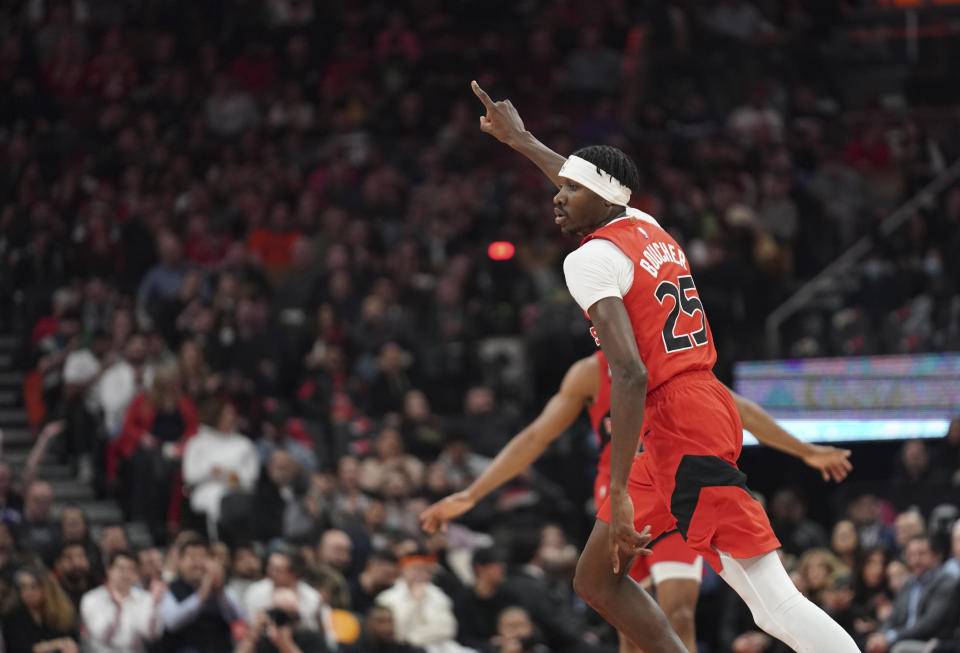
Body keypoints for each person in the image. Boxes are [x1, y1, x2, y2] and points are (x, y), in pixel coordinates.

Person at [467, 81, 859, 653]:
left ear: (602, 200)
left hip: (678, 420)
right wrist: (522, 140)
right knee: (596, 578)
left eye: (570, 191)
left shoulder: (590, 260)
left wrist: (619, 487)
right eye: (562, 186)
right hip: (694, 405)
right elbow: (586, 180)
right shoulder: (645, 225)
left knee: (772, 604)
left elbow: (628, 374)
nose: (557, 195)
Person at [422, 349, 853, 652]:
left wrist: (806, 450)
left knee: (680, 609)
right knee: (628, 626)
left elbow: (740, 408)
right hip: (623, 492)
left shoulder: (665, 361)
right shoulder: (589, 373)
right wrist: (472, 493)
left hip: (672, 481)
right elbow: (537, 436)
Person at [865, 535, 960, 653]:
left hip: (931, 643)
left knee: (900, 650)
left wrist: (890, 637)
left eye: (921, 554)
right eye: (911, 555)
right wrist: (880, 636)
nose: (915, 560)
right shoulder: (908, 584)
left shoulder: (947, 582)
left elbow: (929, 624)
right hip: (900, 638)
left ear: (936, 556)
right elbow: (893, 617)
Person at [159, 535, 244, 653]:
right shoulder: (171, 589)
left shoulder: (221, 587)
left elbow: (238, 616)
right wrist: (201, 595)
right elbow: (172, 622)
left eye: (202, 556)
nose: (198, 563)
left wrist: (220, 592)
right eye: (192, 557)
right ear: (181, 562)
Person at [80, 550, 166, 653]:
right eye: (121, 568)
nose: (125, 574)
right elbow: (101, 637)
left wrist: (155, 605)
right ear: (109, 570)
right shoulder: (91, 598)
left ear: (137, 575)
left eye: (131, 569)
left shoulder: (145, 597)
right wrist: (117, 610)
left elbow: (151, 635)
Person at [2, 565, 79, 653]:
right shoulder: (12, 618)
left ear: (47, 588)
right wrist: (55, 644)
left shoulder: (62, 614)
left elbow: (72, 642)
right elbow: (19, 648)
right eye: (23, 587)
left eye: (34, 586)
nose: (28, 592)